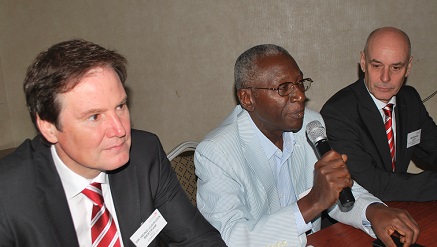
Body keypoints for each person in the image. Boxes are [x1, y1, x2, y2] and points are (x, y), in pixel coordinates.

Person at [0, 39, 227, 247]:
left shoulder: (145, 154)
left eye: (120, 107)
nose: (120, 130)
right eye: (94, 117)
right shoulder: (8, 194)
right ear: (49, 127)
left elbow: (198, 239)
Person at [194, 44, 420, 247]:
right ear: (247, 98)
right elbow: (229, 238)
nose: (300, 96)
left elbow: (337, 190)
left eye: (300, 83)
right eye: (284, 88)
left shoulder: (310, 125)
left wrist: (373, 211)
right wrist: (312, 202)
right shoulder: (216, 153)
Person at [320, 27, 437, 201]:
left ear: (408, 67)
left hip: (398, 208)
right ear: (363, 62)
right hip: (352, 219)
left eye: (396, 67)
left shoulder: (410, 99)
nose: (385, 78)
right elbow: (374, 184)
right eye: (377, 65)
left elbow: (432, 147)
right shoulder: (338, 113)